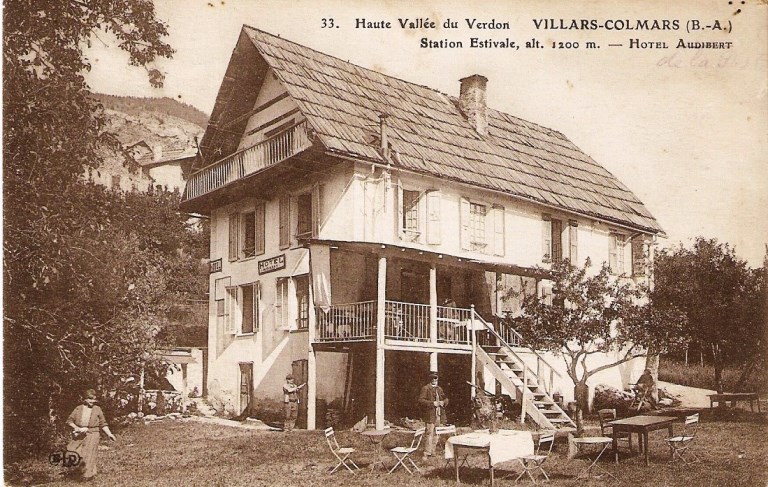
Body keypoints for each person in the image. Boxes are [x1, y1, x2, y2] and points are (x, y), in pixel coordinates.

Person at [66, 389, 116, 481]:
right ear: (85, 399)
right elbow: (69, 421)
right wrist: (76, 428)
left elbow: (103, 423)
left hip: (93, 434)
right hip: (79, 434)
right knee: (72, 451)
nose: (92, 401)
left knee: (89, 455)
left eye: (94, 399)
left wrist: (109, 434)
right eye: (90, 399)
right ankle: (86, 471)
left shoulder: (97, 409)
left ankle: (87, 476)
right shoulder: (78, 408)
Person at [418, 371, 449, 459]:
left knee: (436, 434)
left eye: (435, 378)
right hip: (430, 415)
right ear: (429, 379)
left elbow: (446, 398)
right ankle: (426, 453)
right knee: (429, 433)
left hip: (439, 415)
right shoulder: (426, 388)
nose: (434, 380)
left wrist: (444, 402)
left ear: (437, 379)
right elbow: (421, 400)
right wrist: (433, 403)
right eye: (432, 378)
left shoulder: (439, 389)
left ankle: (433, 451)